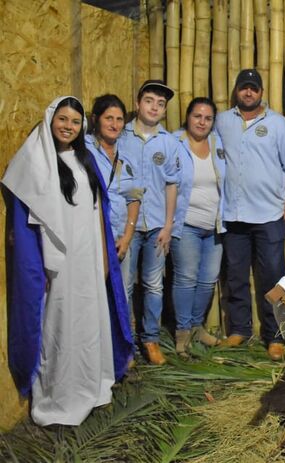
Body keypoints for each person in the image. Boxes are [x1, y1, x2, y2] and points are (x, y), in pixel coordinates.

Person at [3, 96, 134, 426]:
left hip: (87, 261)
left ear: (82, 127)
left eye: (74, 122)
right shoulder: (34, 161)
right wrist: (40, 266)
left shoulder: (84, 159)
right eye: (63, 119)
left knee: (89, 323)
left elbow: (96, 214)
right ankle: (59, 399)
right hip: (58, 265)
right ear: (51, 120)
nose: (68, 126)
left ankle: (92, 385)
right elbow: (27, 223)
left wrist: (103, 257)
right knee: (60, 327)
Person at [215, 69, 285, 359]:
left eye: (253, 88)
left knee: (272, 277)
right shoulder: (221, 121)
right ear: (237, 90)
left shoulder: (280, 125)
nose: (248, 93)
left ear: (261, 92)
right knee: (235, 276)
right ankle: (239, 330)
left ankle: (276, 336)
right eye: (243, 88)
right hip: (233, 214)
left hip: (269, 215)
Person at [120, 80, 182, 365]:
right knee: (126, 285)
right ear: (137, 103)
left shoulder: (169, 143)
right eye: (149, 100)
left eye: (160, 103)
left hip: (156, 224)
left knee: (154, 285)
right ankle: (125, 342)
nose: (154, 107)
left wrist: (169, 226)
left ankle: (151, 340)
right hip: (125, 227)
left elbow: (172, 185)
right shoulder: (120, 137)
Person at [171, 97, 226, 355]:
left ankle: (196, 326)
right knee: (186, 278)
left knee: (207, 280)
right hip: (187, 224)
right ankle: (182, 333)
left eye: (207, 118)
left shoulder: (217, 143)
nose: (202, 122)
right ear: (188, 117)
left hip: (214, 225)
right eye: (197, 116)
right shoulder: (174, 142)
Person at [85, 95, 142, 297]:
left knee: (121, 294)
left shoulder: (127, 154)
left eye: (119, 119)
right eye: (109, 118)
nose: (114, 124)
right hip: (91, 237)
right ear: (96, 119)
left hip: (119, 237)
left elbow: (134, 197)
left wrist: (127, 237)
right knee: (93, 294)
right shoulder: (83, 149)